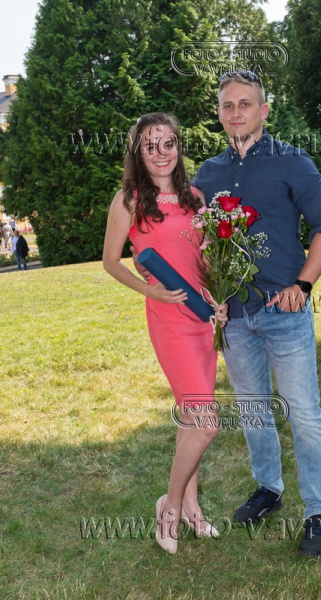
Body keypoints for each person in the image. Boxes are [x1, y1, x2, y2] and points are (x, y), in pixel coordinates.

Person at [193, 71, 321, 557]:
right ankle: (269, 489)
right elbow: (195, 239)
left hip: (284, 312)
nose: (236, 112)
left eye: (245, 104)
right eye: (228, 105)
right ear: (219, 114)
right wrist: (208, 294)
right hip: (234, 317)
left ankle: (317, 512)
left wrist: (303, 284)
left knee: (304, 413)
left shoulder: (293, 161)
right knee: (254, 409)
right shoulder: (207, 174)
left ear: (264, 110)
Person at [103, 112, 228, 555]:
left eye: (168, 143)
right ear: (138, 152)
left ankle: (192, 510)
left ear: (178, 147)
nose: (161, 153)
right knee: (207, 424)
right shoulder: (129, 200)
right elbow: (111, 262)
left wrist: (217, 298)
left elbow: (204, 259)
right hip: (169, 319)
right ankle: (169, 507)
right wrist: (151, 290)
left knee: (192, 420)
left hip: (201, 318)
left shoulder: (196, 197)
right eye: (150, 145)